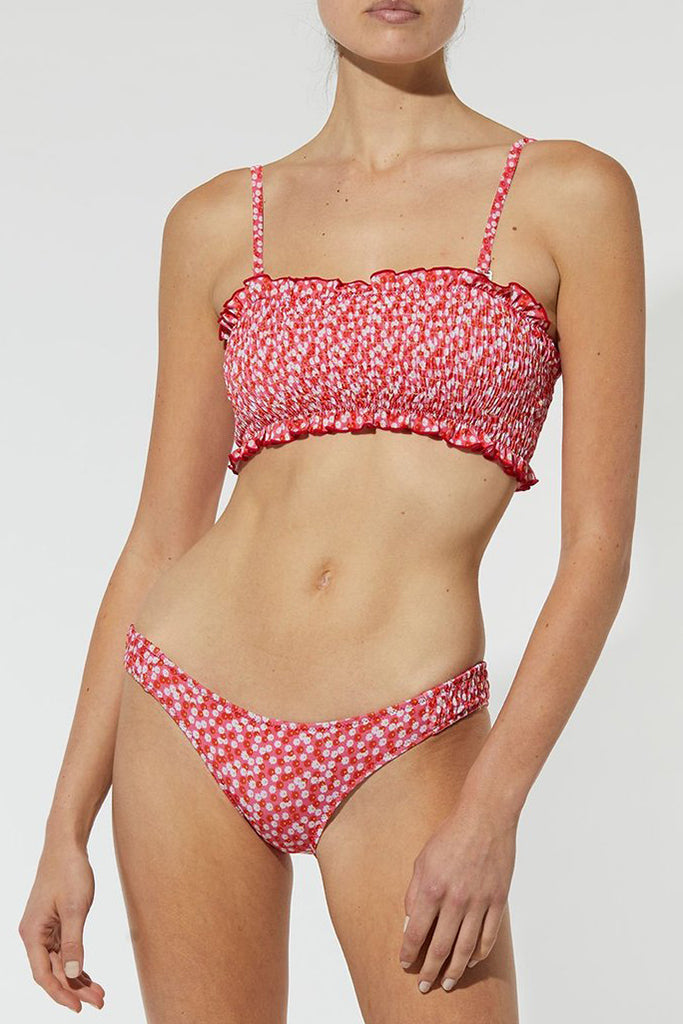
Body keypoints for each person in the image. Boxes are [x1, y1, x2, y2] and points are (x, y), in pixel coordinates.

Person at [18, 1, 645, 1020]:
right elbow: (160, 537)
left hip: (410, 733)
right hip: (185, 715)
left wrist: (491, 809)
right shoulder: (216, 221)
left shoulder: (570, 194)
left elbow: (598, 549)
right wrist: (64, 826)